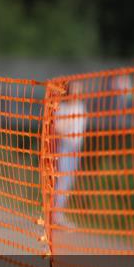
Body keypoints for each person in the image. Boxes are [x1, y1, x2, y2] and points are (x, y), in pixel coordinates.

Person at [53, 82, 88, 229]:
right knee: (62, 181)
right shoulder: (63, 108)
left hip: (76, 148)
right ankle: (55, 214)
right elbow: (58, 127)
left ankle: (58, 213)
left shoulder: (81, 107)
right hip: (65, 147)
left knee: (69, 181)